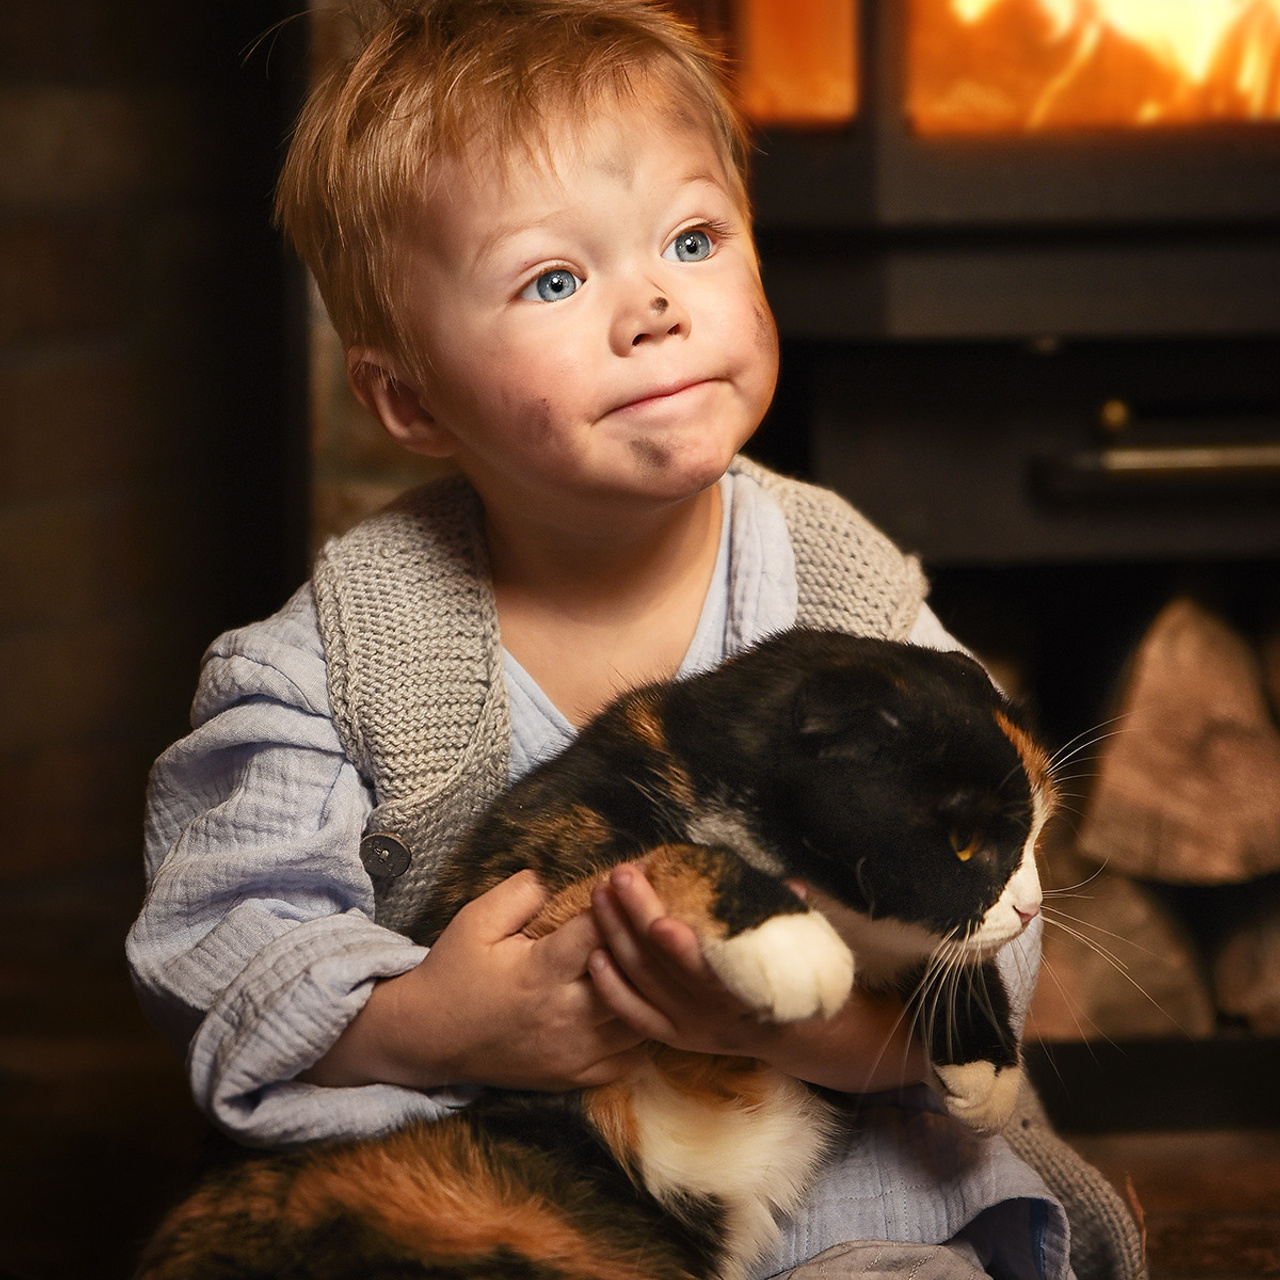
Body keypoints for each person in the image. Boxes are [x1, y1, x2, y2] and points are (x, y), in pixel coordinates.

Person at [127, 3, 1133, 1276]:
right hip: (528, 1178)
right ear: (407, 395)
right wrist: (436, 1021)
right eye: (554, 277)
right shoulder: (347, 654)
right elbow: (226, 945)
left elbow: (987, 929)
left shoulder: (837, 577)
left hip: (818, 1173)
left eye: (693, 238)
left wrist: (802, 1033)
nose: (654, 303)